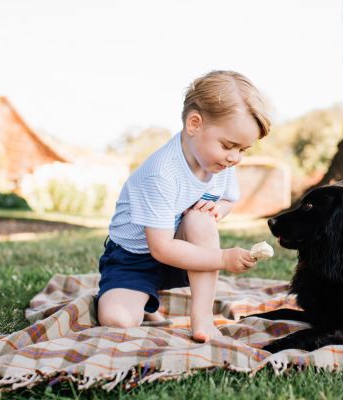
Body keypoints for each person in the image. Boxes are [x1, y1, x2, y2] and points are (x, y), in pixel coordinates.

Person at [95, 70, 271, 343]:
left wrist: (217, 210)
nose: (235, 157)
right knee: (118, 321)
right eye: (229, 145)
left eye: (243, 150)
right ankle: (140, 299)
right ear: (194, 124)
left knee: (200, 220)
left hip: (182, 252)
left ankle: (202, 319)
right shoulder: (161, 174)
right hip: (134, 258)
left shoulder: (219, 163)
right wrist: (223, 258)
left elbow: (227, 199)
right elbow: (161, 248)